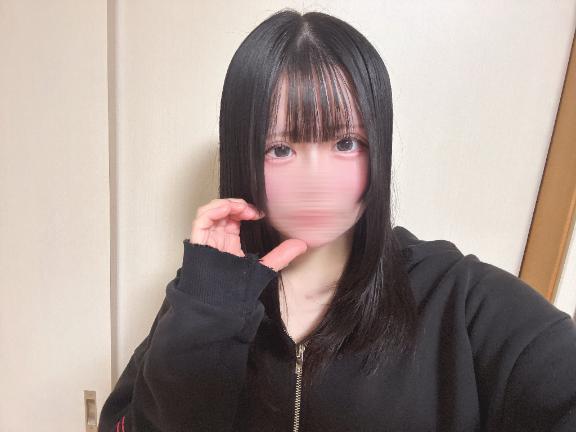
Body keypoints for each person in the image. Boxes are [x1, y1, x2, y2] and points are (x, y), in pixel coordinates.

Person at [98, 8, 576, 432]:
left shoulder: (459, 299)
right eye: (280, 149)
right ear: (243, 157)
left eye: (345, 143)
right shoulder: (207, 296)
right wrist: (207, 314)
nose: (316, 182)